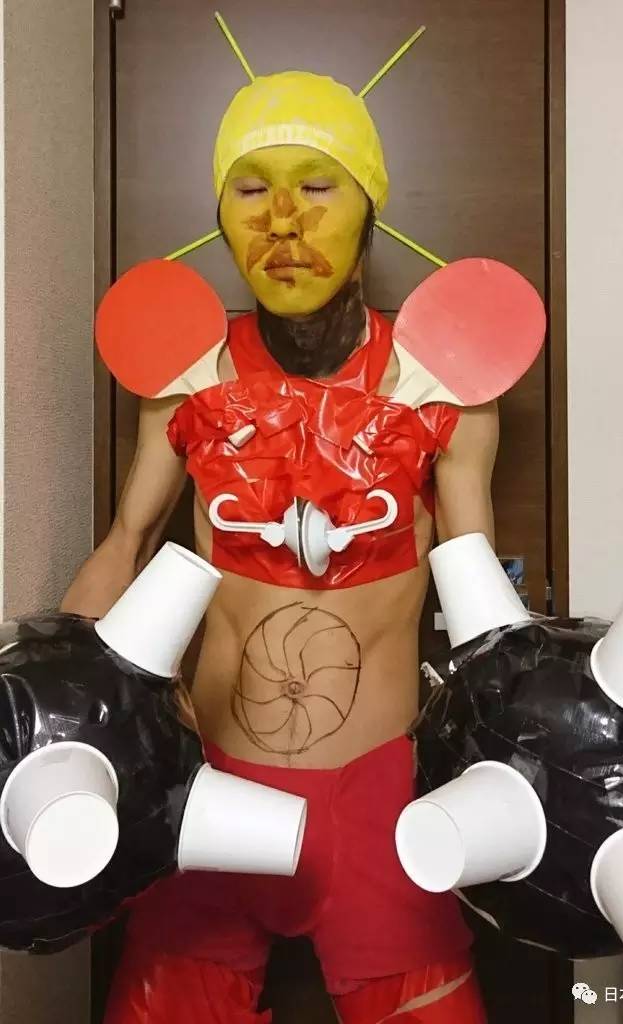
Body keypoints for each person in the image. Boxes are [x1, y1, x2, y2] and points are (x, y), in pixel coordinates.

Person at [62, 70, 497, 1023]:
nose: (284, 222)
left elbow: (478, 599)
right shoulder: (188, 372)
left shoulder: (439, 377)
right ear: (220, 216)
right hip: (210, 784)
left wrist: (523, 737)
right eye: (252, 189)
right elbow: (127, 541)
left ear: (368, 205)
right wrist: (50, 715)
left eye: (318, 185)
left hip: (382, 794)